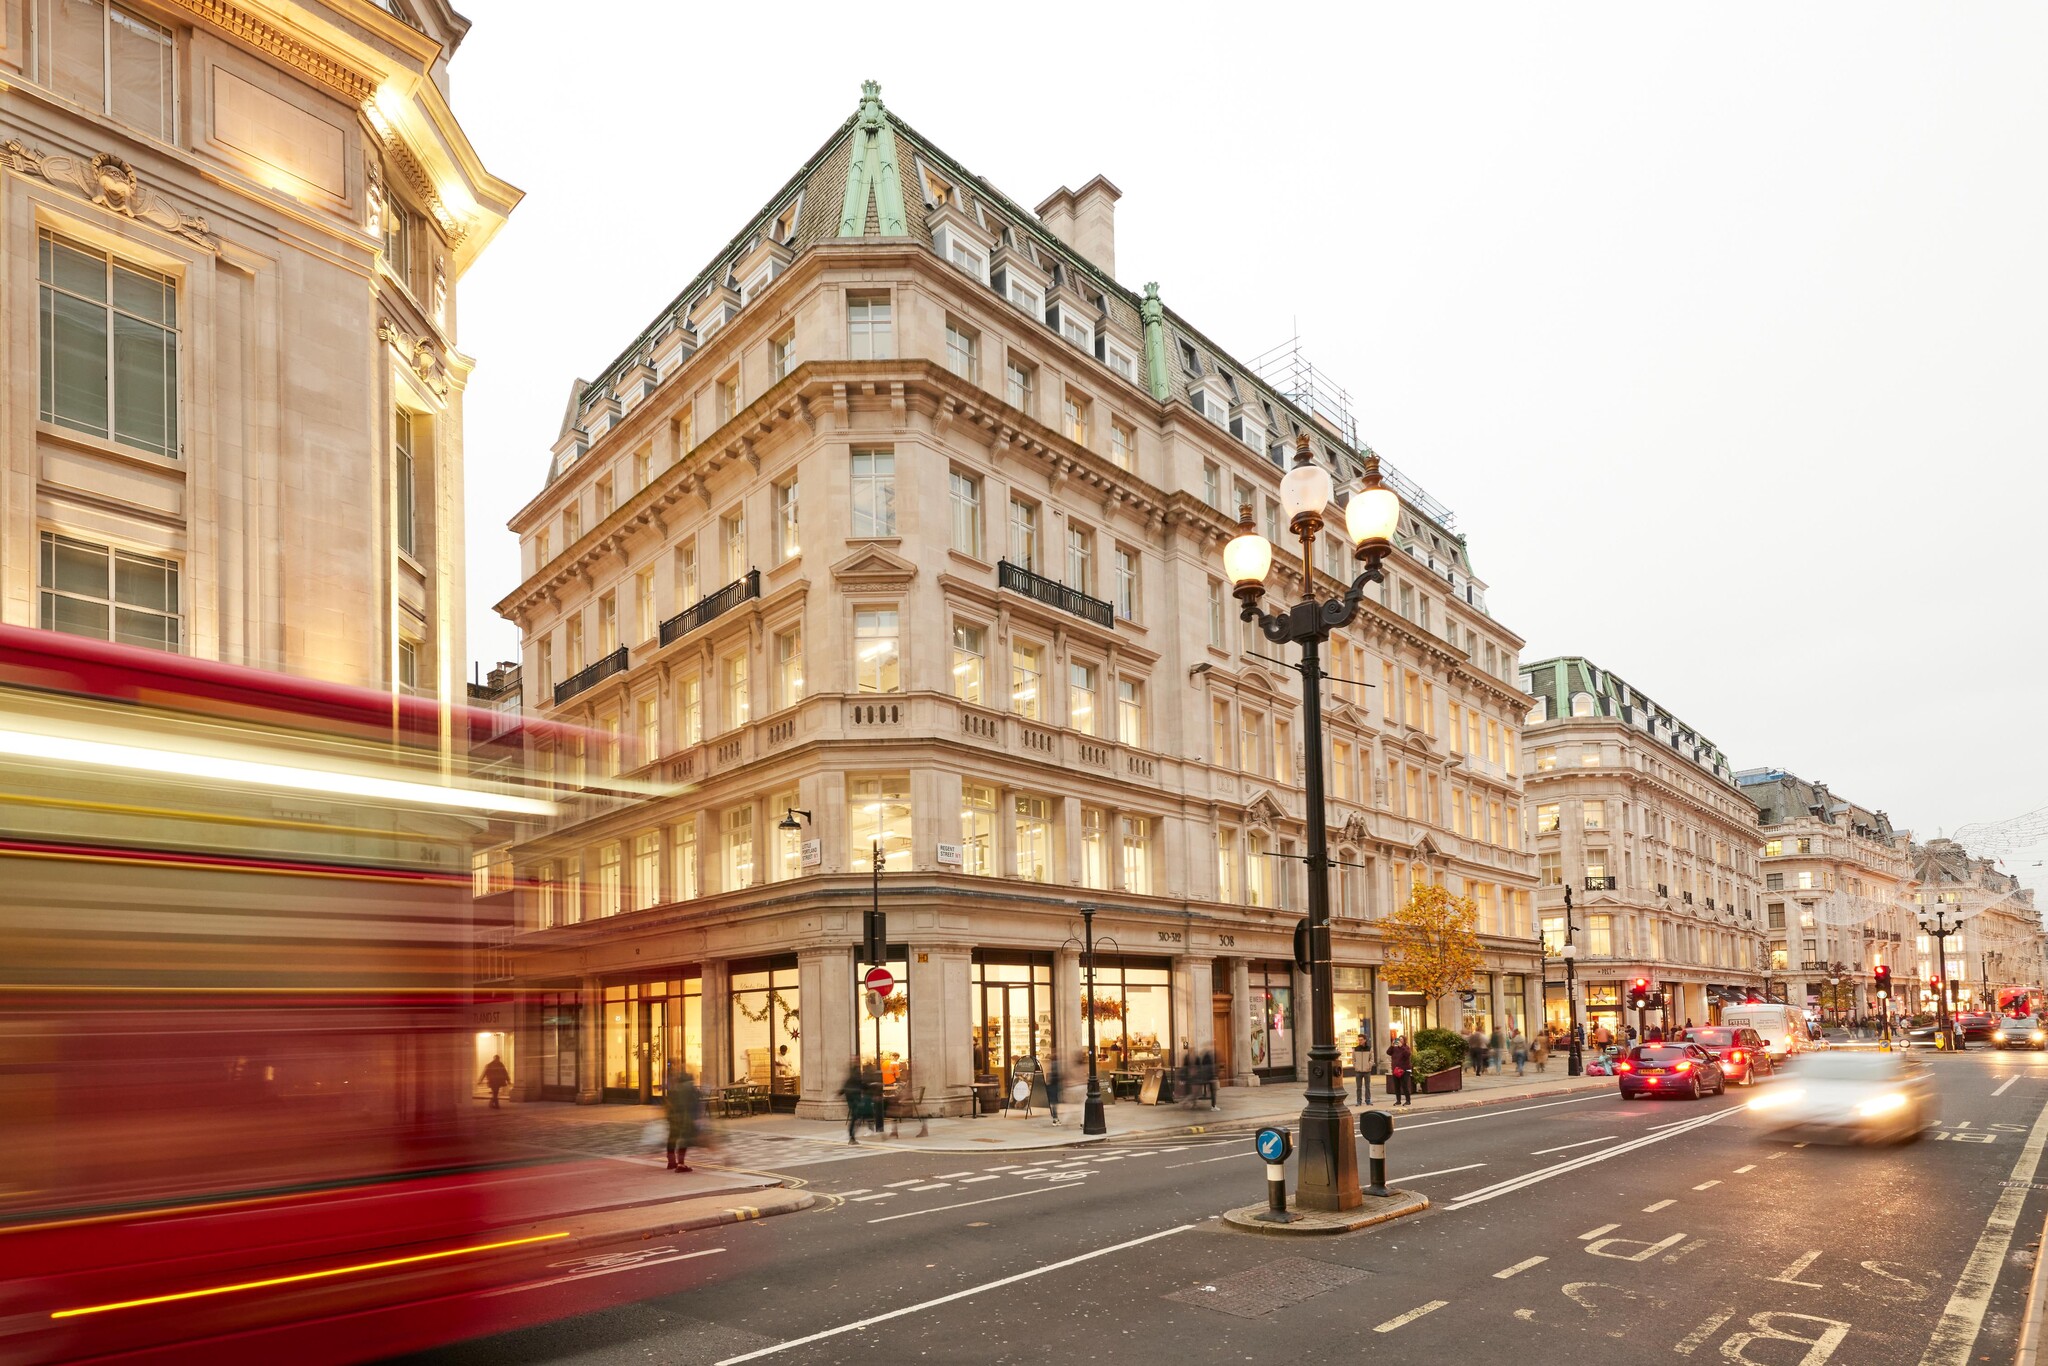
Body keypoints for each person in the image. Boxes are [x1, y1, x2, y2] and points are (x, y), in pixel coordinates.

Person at [664, 1065, 702, 1172]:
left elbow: (668, 1103)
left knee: (672, 1138)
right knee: (684, 1139)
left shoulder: (674, 1089)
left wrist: (669, 1116)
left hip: (673, 1118)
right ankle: (681, 1163)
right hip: (685, 1118)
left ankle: (671, 1162)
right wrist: (695, 1118)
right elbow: (694, 1104)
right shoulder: (691, 1089)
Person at [841, 1061, 867, 1145]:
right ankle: (852, 1136)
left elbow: (844, 1088)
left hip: (851, 1100)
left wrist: (840, 1092)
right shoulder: (857, 1077)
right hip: (856, 1100)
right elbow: (863, 1085)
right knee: (856, 1117)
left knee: (855, 1117)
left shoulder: (850, 1079)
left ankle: (852, 1136)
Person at [1387, 1034, 1414, 1107]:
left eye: (1401, 1040)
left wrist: (1401, 1047)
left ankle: (1408, 1100)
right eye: (1399, 1039)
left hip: (1405, 1069)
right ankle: (1398, 1100)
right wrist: (1392, 1046)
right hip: (1396, 1069)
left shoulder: (1406, 1048)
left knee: (1404, 1085)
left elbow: (1407, 1054)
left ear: (1404, 1041)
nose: (1400, 1041)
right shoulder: (1395, 1048)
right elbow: (1388, 1052)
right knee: (1397, 1086)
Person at [1046, 1051, 1064, 1127]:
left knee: (1054, 1102)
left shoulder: (1052, 1064)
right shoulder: (1056, 1065)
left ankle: (1055, 1118)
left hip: (1052, 1085)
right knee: (1054, 1103)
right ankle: (1055, 1118)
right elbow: (1057, 1075)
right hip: (1054, 1085)